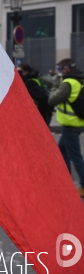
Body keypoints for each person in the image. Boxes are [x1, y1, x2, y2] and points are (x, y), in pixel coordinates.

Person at [48, 58, 84, 198]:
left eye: (60, 69)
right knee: (62, 151)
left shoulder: (68, 83)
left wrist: (55, 85)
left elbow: (52, 100)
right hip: (77, 122)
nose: (59, 72)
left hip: (70, 124)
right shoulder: (80, 80)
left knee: (75, 156)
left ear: (66, 69)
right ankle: (65, 181)